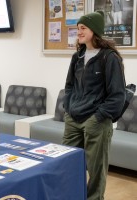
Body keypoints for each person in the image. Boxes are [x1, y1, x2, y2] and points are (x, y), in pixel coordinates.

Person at [63, 11, 126, 200]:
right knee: (68, 163)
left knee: (96, 170)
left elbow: (117, 95)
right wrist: (69, 107)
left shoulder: (110, 57)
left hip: (96, 121)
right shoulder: (77, 56)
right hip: (73, 118)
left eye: (83, 28)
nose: (79, 32)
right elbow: (69, 86)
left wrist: (97, 118)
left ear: (95, 31)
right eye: (78, 28)